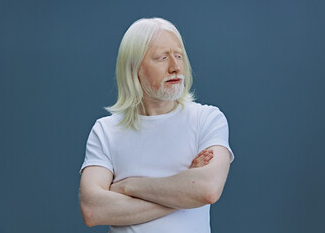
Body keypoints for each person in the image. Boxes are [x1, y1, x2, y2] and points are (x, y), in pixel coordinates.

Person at [79, 17, 235, 233]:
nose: (175, 67)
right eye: (162, 58)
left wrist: (128, 186)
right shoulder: (106, 130)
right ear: (134, 69)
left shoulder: (207, 119)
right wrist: (183, 193)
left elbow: (207, 190)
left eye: (179, 56)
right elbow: (93, 210)